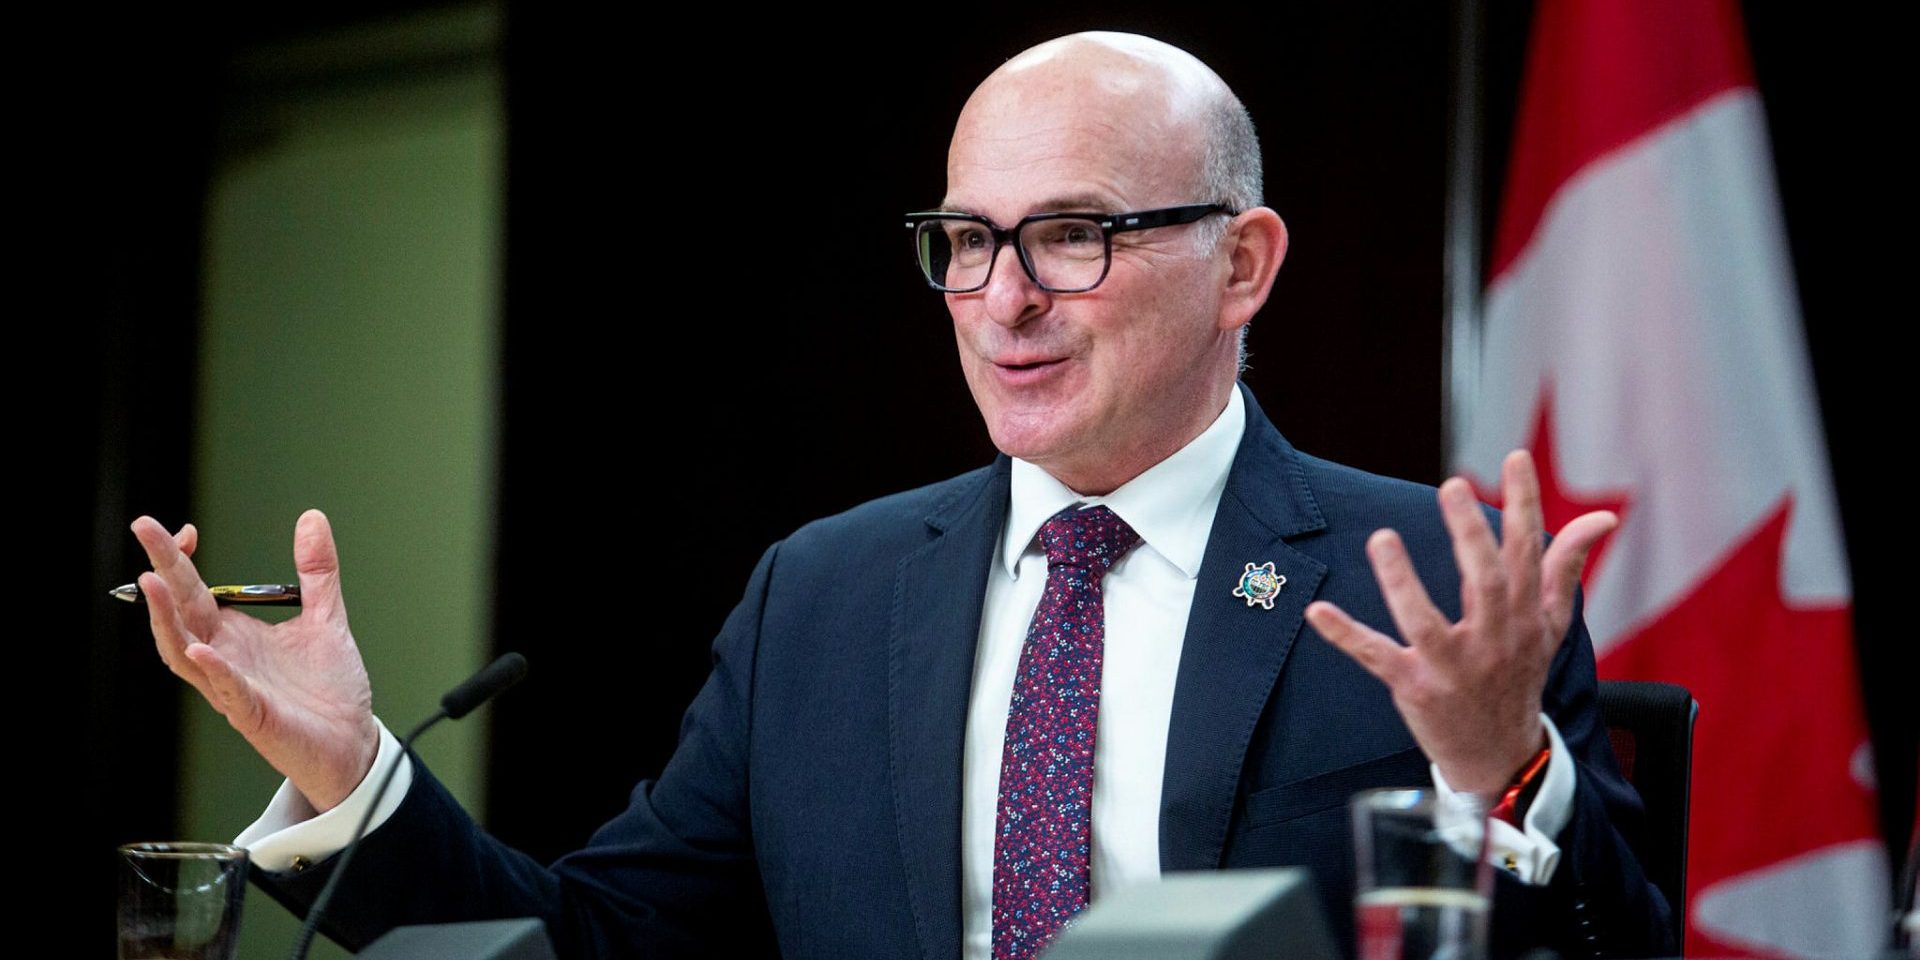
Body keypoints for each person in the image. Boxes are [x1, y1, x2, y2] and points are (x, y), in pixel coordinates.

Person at [131, 31, 1674, 960]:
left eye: (1075, 234)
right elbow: (596, 947)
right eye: (967, 240)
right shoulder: (827, 594)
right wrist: (347, 775)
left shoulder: (1420, 577)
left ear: (1243, 266)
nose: (1004, 300)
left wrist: (1502, 781)